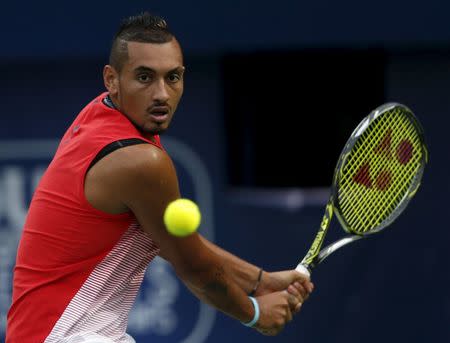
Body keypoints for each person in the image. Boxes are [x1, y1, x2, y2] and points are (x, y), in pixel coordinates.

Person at [6, 12, 314, 343]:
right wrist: (255, 313)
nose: (162, 95)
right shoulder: (141, 162)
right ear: (112, 79)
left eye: (173, 78)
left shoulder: (100, 114)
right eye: (144, 77)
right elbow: (195, 268)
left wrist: (260, 281)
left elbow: (174, 242)